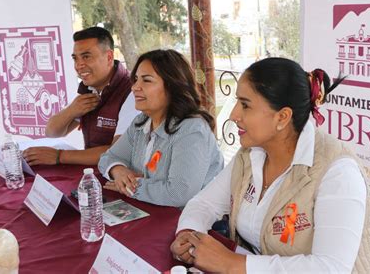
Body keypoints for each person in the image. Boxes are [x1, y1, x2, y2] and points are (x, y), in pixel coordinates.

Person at [170, 58, 370, 273]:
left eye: (245, 105)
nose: (233, 115)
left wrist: (232, 263)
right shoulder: (249, 155)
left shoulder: (337, 171)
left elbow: (330, 267)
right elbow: (205, 204)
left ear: (282, 117)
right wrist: (189, 233)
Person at [98, 49, 224, 208]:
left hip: (193, 223)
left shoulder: (192, 130)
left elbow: (179, 194)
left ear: (172, 86)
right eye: (136, 79)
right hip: (153, 211)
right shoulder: (142, 122)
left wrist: (131, 186)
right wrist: (119, 171)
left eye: (146, 80)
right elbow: (107, 158)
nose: (135, 87)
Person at [23, 27, 139, 166]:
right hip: (94, 174)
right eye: (75, 58)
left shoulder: (133, 90)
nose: (79, 65)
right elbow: (51, 132)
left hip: (123, 180)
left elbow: (118, 152)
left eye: (86, 57)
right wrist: (72, 110)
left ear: (109, 57)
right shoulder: (91, 88)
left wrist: (59, 156)